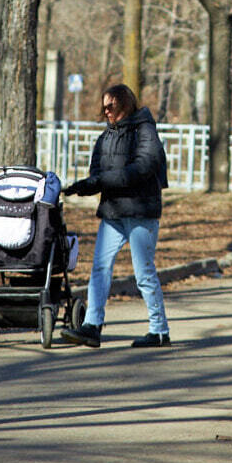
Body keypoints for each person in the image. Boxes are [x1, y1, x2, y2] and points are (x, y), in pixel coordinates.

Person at [60, 84, 171, 349]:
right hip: (113, 212)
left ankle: (159, 331)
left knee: (143, 272)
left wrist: (104, 180)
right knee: (99, 268)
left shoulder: (145, 130)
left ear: (125, 104)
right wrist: (84, 186)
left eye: (111, 106)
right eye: (104, 107)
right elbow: (98, 173)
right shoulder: (105, 137)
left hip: (141, 211)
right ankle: (92, 326)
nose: (106, 111)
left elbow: (144, 166)